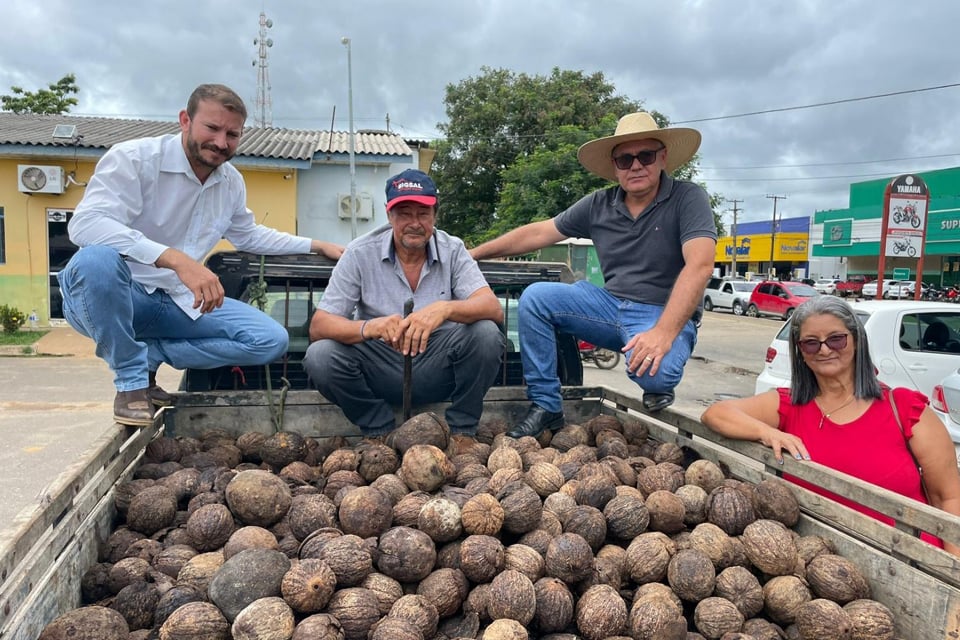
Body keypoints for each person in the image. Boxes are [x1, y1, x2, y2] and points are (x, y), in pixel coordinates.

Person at [59, 83, 343, 427]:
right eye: (212, 128)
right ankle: (131, 382)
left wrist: (316, 245)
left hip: (175, 301)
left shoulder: (230, 182)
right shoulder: (134, 159)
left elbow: (248, 235)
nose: (221, 142)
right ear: (185, 120)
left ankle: (150, 355)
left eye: (232, 134)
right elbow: (86, 225)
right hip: (121, 297)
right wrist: (176, 260)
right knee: (95, 261)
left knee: (270, 340)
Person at [469, 112, 717, 438]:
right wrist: (472, 254)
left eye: (645, 156)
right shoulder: (599, 204)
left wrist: (663, 332)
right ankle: (546, 404)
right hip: (608, 306)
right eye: (625, 159)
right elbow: (540, 232)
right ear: (615, 166)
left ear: (662, 158)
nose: (635, 166)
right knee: (536, 298)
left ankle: (659, 378)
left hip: (660, 313)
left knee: (655, 377)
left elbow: (699, 265)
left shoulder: (688, 198)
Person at [701, 296, 960, 555]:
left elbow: (948, 498)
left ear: (857, 340)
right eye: (811, 343)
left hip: (911, 562)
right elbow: (716, 413)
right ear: (800, 352)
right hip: (824, 561)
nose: (824, 350)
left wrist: (951, 570)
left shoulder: (905, 409)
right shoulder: (790, 405)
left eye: (836, 339)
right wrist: (767, 432)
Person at [302, 169, 505, 436]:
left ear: (435, 216)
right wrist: (369, 327)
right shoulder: (359, 253)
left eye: (423, 213)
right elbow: (319, 326)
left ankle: (462, 432)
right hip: (380, 365)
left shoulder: (453, 249)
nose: (415, 223)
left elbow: (492, 308)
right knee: (320, 356)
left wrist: (445, 309)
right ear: (389, 215)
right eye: (405, 214)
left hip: (438, 364)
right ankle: (379, 430)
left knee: (486, 334)